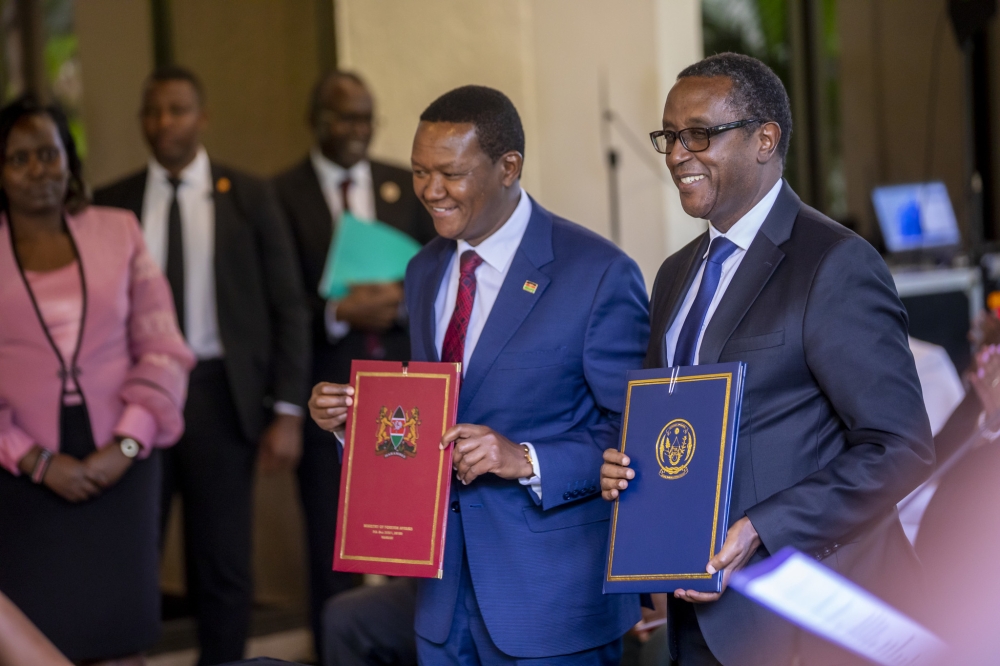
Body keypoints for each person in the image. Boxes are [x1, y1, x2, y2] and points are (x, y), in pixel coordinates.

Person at [600, 53, 934, 665]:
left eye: (698, 134)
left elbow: (900, 447)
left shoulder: (833, 263)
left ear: (765, 139)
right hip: (695, 616)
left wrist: (760, 527)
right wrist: (630, 471)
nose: (677, 154)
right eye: (670, 136)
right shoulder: (675, 276)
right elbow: (678, 428)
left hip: (809, 624)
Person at [310, 85, 650, 664]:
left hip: (553, 604)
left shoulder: (596, 274)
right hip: (440, 598)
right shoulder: (423, 272)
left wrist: (525, 458)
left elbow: (640, 437)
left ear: (509, 167)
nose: (430, 191)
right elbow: (427, 423)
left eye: (450, 173)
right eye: (420, 172)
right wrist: (350, 423)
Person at [93, 67, 311, 665]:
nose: (166, 122)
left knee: (223, 561)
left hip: (220, 395)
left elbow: (288, 306)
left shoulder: (249, 195)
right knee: (133, 553)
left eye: (179, 109)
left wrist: (288, 410)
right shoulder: (112, 204)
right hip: (136, 400)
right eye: (154, 111)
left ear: (203, 117)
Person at [0, 97, 194, 663]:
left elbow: (163, 347)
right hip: (22, 475)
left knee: (123, 632)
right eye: (18, 158)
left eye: (49, 153)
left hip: (124, 466)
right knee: (39, 639)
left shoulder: (119, 230)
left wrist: (128, 443)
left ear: (69, 158)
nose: (38, 170)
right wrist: (34, 460)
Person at [271, 70, 435, 654]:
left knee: (409, 546)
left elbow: (437, 274)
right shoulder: (280, 193)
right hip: (330, 399)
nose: (356, 130)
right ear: (315, 119)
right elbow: (278, 301)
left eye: (365, 118)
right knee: (330, 545)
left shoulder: (405, 183)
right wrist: (338, 311)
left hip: (408, 397)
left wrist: (400, 304)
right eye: (343, 117)